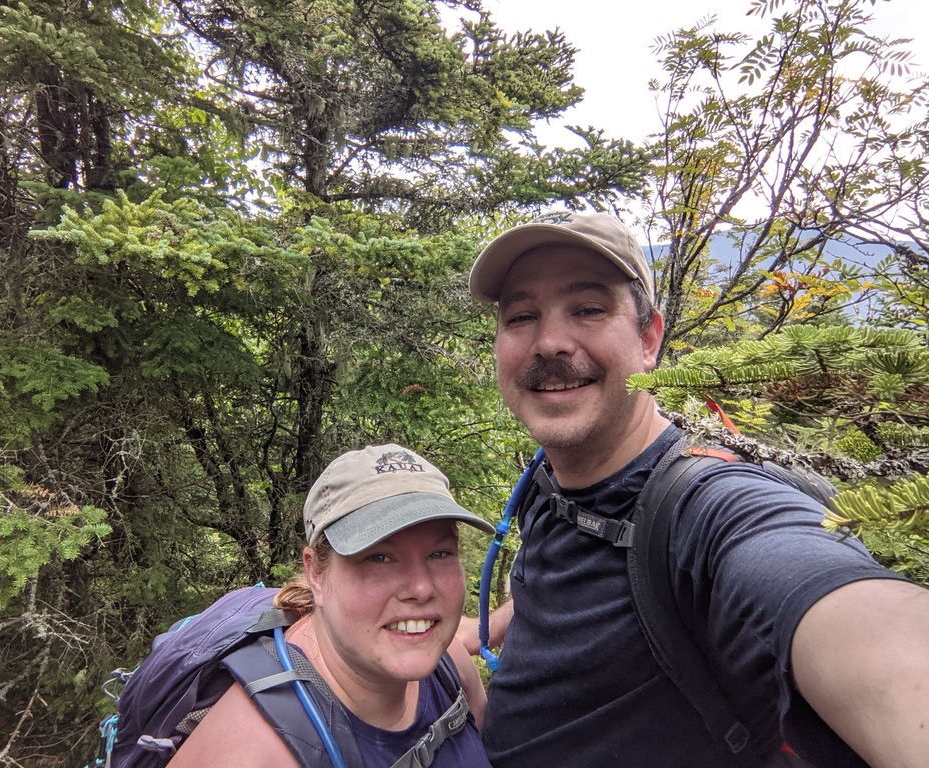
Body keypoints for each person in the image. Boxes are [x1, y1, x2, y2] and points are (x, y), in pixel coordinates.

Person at [462, 210, 929, 768]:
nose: (549, 342)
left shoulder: (710, 507)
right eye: (521, 316)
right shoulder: (550, 477)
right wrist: (481, 630)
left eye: (588, 309)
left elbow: (839, 607)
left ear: (649, 339)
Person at [169, 443, 494, 768]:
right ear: (315, 573)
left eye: (439, 554)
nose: (421, 588)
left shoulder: (449, 666)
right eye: (379, 558)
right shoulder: (247, 754)